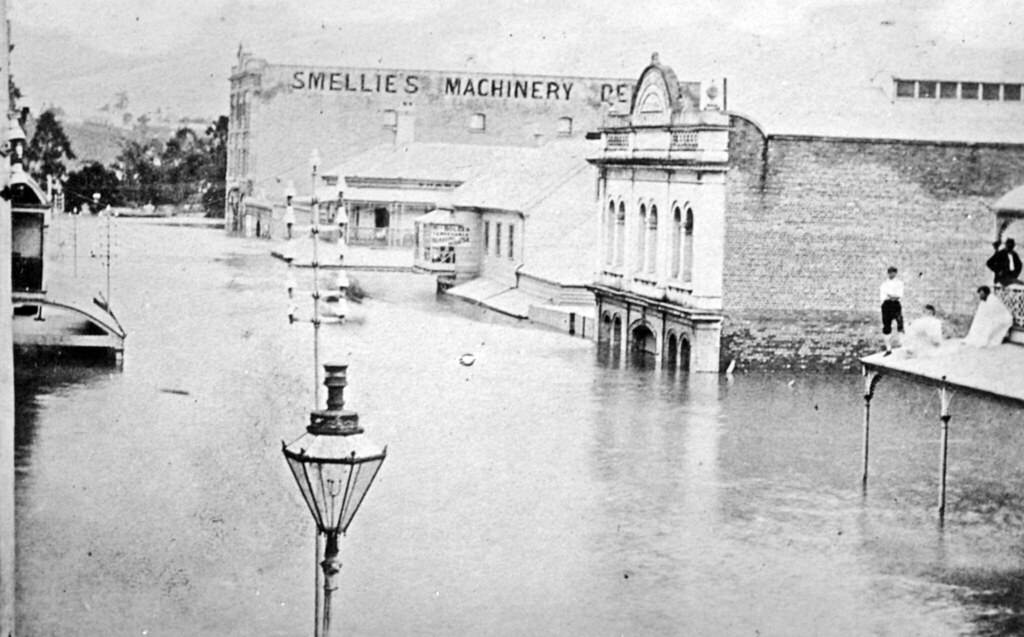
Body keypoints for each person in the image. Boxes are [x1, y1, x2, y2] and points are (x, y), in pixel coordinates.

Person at [879, 266, 904, 356]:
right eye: (889, 272)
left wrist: (892, 296)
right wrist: (890, 297)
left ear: (896, 273)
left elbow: (899, 295)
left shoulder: (899, 283)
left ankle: (903, 347)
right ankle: (888, 349)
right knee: (886, 326)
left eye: (893, 272)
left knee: (900, 324)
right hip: (886, 306)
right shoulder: (884, 284)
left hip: (896, 305)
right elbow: (884, 296)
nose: (891, 274)